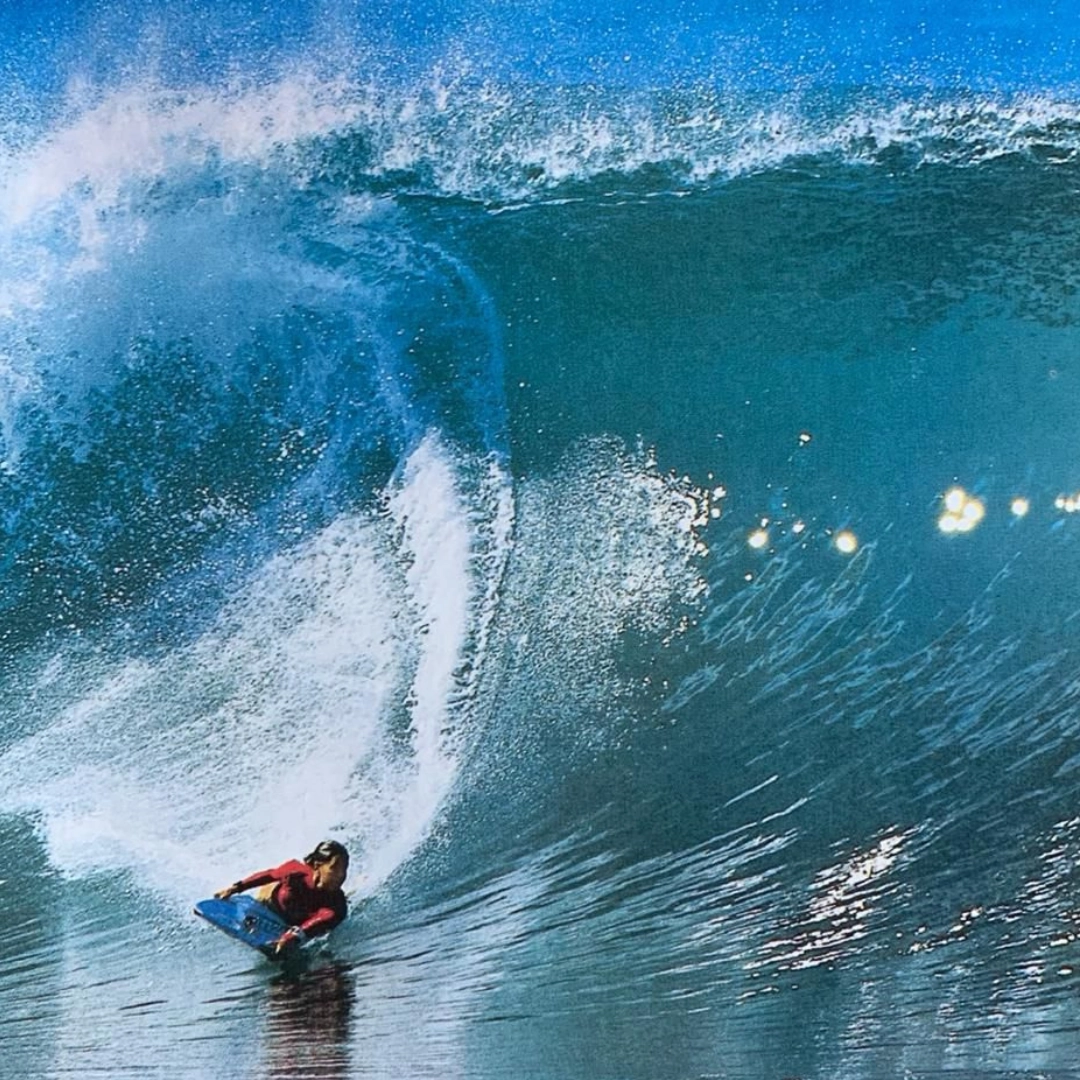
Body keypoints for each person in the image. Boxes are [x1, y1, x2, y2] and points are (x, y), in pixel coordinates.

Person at [215, 840, 349, 954]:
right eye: (334, 868)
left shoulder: (337, 904)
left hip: (296, 920)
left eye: (344, 869)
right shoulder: (296, 871)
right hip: (271, 903)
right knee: (275, 891)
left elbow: (320, 920)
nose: (341, 875)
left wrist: (292, 936)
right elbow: (270, 875)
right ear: (317, 865)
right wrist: (235, 888)